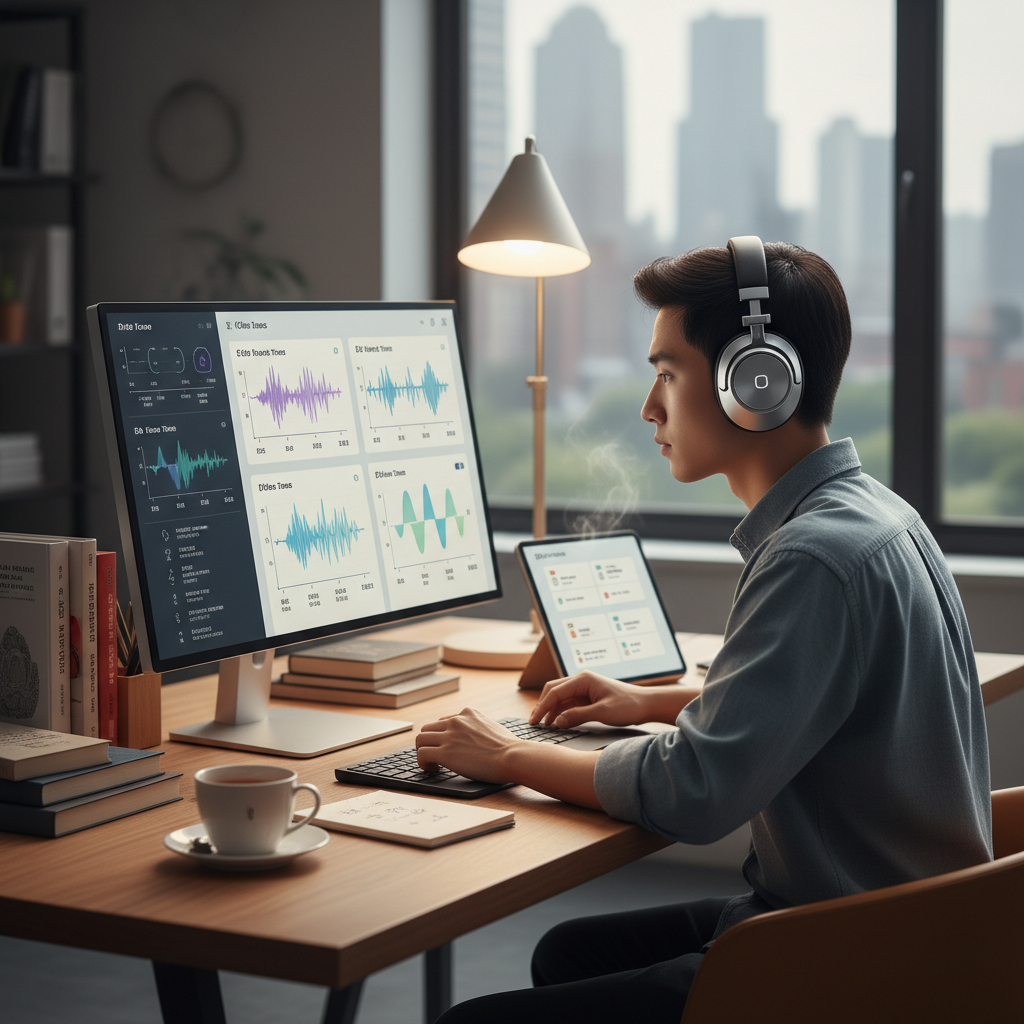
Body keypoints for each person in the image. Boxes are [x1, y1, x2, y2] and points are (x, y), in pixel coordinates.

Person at [417, 240, 992, 1024]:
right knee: (567, 952)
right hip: (916, 929)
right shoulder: (878, 516)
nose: (649, 408)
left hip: (847, 958)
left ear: (756, 381)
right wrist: (654, 702)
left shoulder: (812, 559)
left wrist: (509, 755)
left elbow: (693, 792)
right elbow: (821, 704)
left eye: (667, 374)